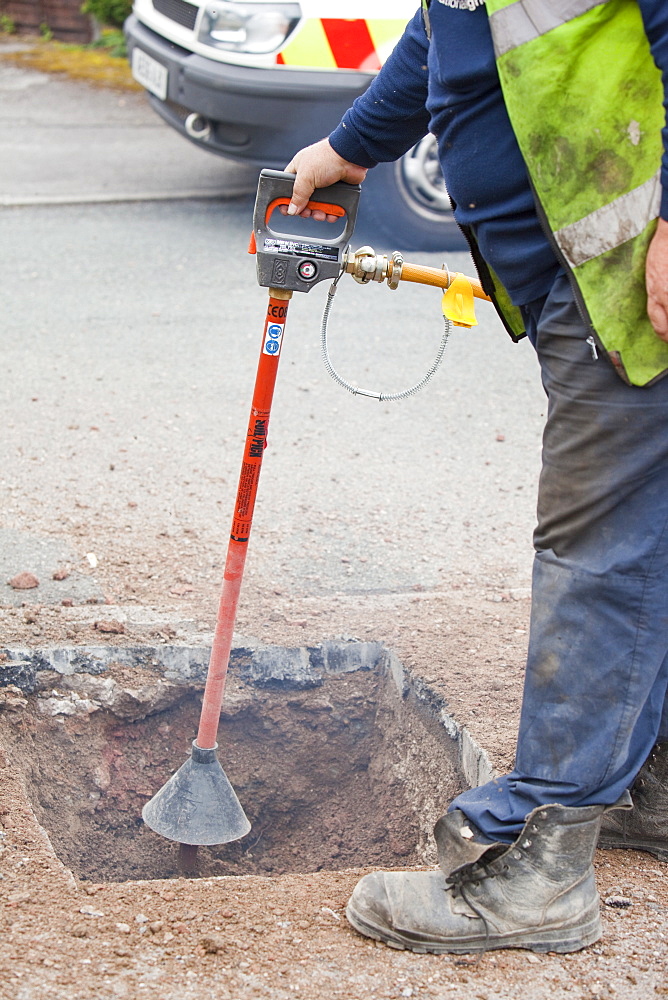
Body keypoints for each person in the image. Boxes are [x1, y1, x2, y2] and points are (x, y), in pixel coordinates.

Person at [283, 0, 668, 955]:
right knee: (643, 527)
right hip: (578, 274)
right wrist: (351, 145)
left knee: (599, 549)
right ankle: (648, 786)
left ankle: (541, 869)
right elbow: (448, 32)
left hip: (629, 273)